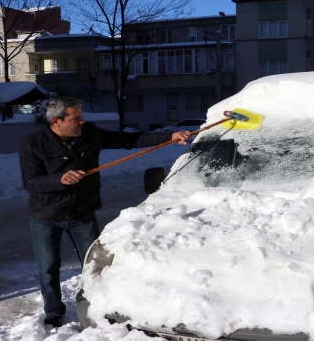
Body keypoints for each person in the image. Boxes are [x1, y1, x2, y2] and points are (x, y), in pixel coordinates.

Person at [19, 97, 192, 327]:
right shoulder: (32, 143)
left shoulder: (90, 133)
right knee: (48, 268)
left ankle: (95, 304)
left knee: (95, 265)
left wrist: (169, 137)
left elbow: (130, 139)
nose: (82, 122)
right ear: (55, 121)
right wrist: (58, 179)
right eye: (75, 118)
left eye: (82, 117)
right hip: (46, 217)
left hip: (82, 213)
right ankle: (53, 310)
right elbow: (30, 182)